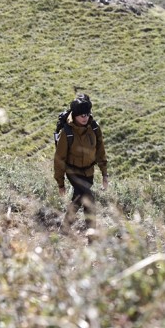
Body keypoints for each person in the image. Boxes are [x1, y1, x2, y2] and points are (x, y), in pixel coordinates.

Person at [53, 94, 109, 238]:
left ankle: (64, 229)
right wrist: (61, 183)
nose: (85, 117)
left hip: (89, 171)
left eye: (87, 114)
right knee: (89, 199)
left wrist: (104, 173)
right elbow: (59, 159)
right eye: (81, 115)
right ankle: (92, 236)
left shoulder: (94, 128)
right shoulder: (67, 133)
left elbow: (100, 151)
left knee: (78, 200)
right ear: (75, 115)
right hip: (73, 171)